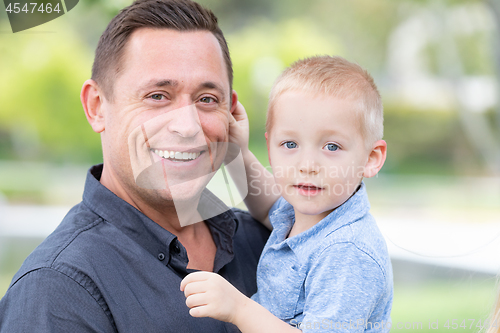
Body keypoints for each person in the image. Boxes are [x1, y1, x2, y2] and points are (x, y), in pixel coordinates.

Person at [0, 0, 270, 332]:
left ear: (231, 112)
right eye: (158, 96)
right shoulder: (56, 290)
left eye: (206, 100)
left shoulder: (270, 243)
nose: (187, 126)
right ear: (97, 106)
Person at [181, 56, 394, 332]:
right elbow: (267, 204)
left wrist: (238, 308)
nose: (306, 165)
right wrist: (237, 153)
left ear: (371, 158)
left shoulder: (347, 252)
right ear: (270, 148)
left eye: (331, 147)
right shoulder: (304, 213)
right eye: (290, 144)